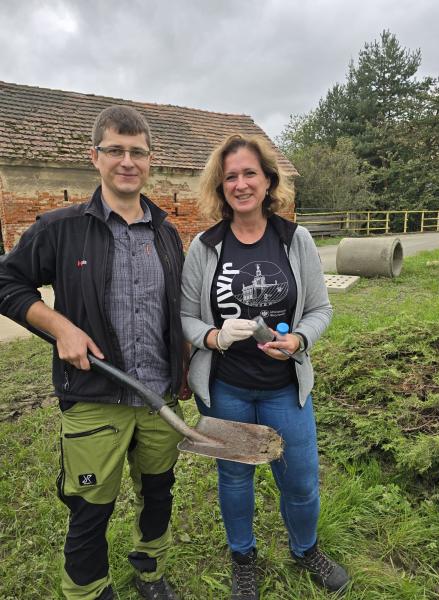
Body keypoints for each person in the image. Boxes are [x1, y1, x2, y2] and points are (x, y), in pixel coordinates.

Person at [0, 105, 188, 600]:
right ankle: (87, 590)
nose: (127, 161)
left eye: (137, 152)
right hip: (92, 398)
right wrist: (60, 326)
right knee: (89, 508)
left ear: (150, 160)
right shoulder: (59, 228)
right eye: (115, 151)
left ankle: (150, 569)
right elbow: (7, 282)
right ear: (95, 157)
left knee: (158, 494)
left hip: (157, 400)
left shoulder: (167, 234)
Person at [180, 134, 350, 599]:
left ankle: (306, 549)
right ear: (221, 186)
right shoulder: (204, 246)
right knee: (235, 478)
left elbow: (321, 309)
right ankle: (243, 559)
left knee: (299, 480)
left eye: (249, 173)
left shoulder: (295, 239)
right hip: (227, 387)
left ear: (268, 179)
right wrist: (213, 336)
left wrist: (297, 338)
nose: (240, 184)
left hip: (283, 388)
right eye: (230, 176)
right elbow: (187, 317)